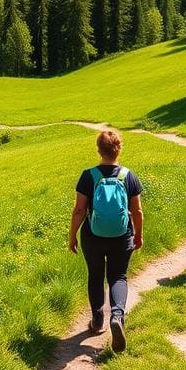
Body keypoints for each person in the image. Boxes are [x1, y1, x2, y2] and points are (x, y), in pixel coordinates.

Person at [69, 130, 143, 353]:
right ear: (119, 148)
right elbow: (137, 210)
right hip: (122, 235)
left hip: (93, 235)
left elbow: (80, 210)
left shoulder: (88, 175)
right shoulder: (129, 176)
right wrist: (138, 234)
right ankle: (117, 316)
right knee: (118, 276)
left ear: (99, 150)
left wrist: (72, 235)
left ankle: (98, 320)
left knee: (95, 275)